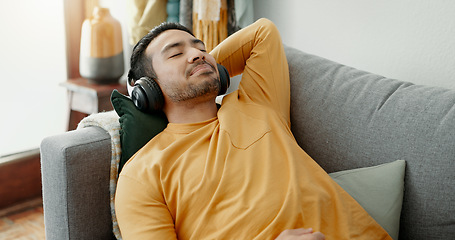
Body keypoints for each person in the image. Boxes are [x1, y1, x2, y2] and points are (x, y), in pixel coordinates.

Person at [115, 18, 392, 240]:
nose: (197, 55)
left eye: (201, 48)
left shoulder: (257, 102)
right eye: (176, 53)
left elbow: (262, 33)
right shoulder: (141, 174)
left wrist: (207, 67)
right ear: (148, 88)